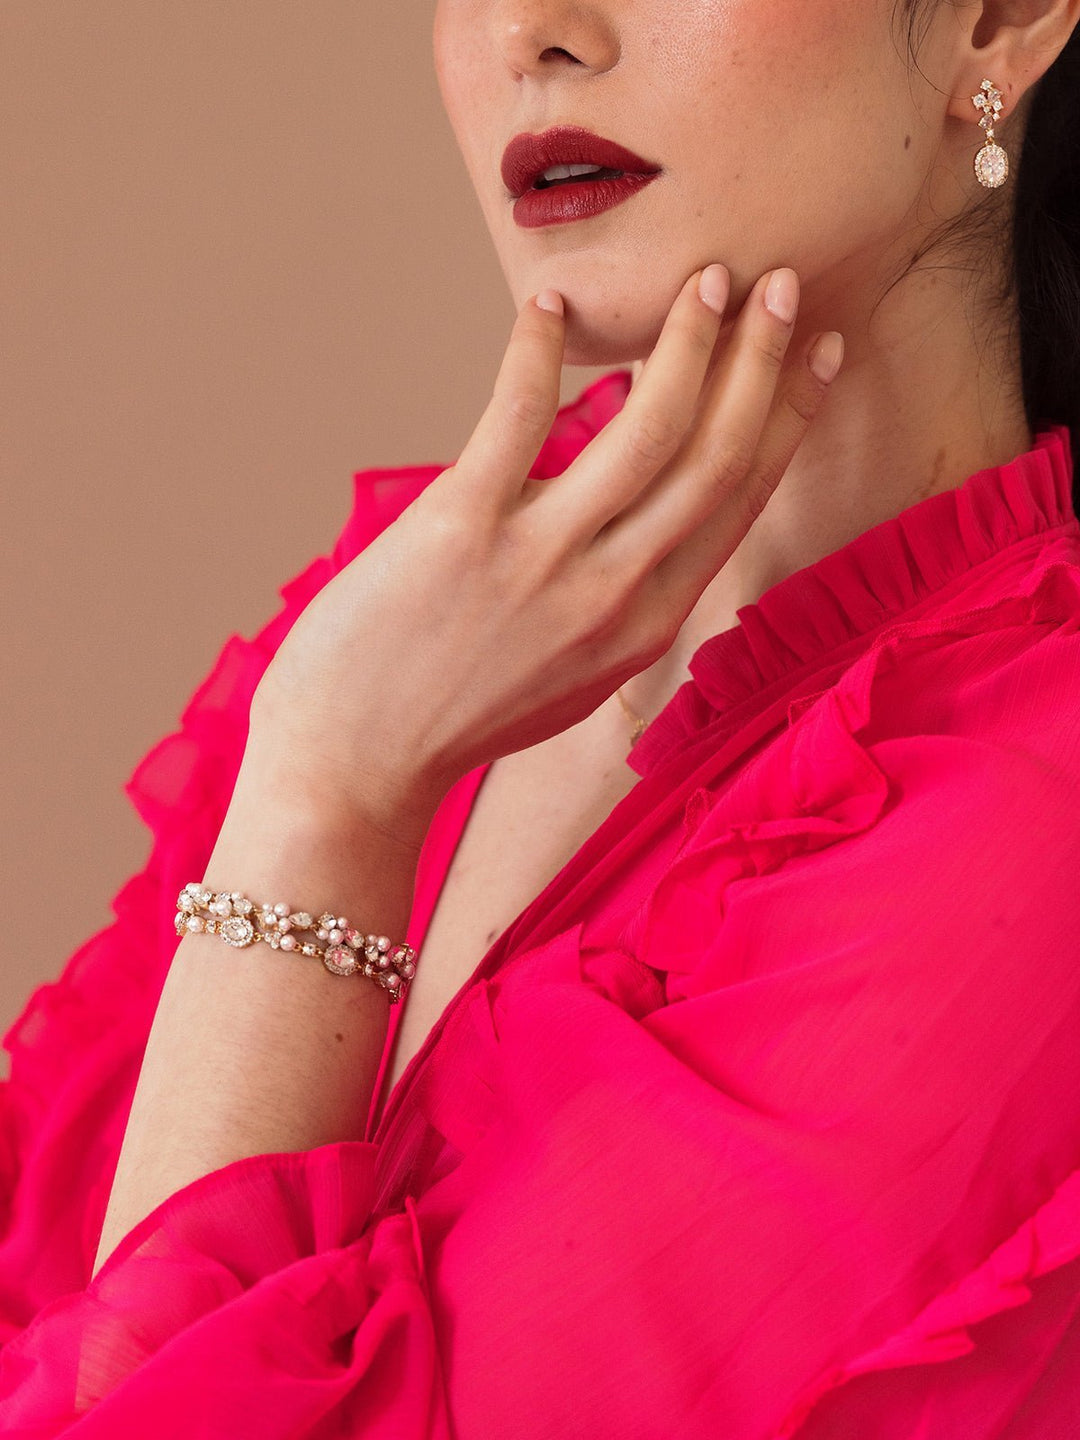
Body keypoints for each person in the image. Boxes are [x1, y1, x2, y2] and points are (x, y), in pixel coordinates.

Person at [1, 0, 1079, 1434]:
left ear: (997, 21)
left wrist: (328, 802)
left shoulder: (1031, 817)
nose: (530, 29)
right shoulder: (418, 626)